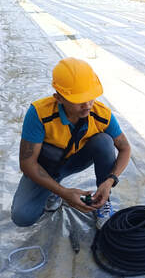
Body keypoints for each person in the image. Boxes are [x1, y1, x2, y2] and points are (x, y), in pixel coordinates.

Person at [11, 58, 131, 229]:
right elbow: (27, 163)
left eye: (90, 97)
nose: (87, 105)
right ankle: (52, 191)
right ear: (58, 97)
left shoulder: (101, 114)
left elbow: (125, 148)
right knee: (22, 217)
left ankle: (103, 201)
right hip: (45, 166)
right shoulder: (39, 114)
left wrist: (110, 180)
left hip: (74, 161)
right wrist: (64, 193)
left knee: (104, 141)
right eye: (78, 100)